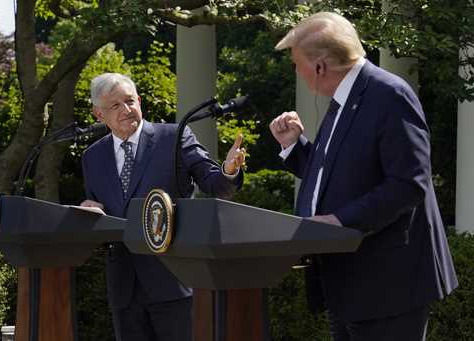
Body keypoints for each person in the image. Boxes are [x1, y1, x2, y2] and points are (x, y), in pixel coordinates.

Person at [269, 12, 457, 341]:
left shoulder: (389, 95)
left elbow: (409, 183)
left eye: (296, 63)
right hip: (349, 281)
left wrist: (340, 221)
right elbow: (342, 173)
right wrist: (294, 148)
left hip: (388, 285)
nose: (296, 72)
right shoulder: (344, 98)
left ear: (320, 67)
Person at [81, 73, 245, 341]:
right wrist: (87, 212)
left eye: (130, 101)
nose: (126, 110)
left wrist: (228, 170)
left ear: (140, 101)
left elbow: (215, 184)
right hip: (124, 287)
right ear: (99, 114)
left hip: (174, 280)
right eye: (115, 106)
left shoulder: (173, 137)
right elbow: (100, 212)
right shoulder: (92, 157)